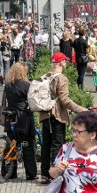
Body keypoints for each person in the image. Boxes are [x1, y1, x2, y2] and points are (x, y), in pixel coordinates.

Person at [39, 53, 87, 184]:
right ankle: (55, 175)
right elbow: (64, 100)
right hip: (57, 115)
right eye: (64, 61)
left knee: (46, 145)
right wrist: (81, 109)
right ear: (60, 62)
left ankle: (44, 174)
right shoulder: (61, 78)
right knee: (57, 145)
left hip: (44, 114)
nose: (66, 63)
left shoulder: (46, 76)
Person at [2, 62, 37, 180]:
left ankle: (9, 172)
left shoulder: (8, 85)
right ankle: (30, 173)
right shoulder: (26, 85)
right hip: (23, 118)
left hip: (9, 116)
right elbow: (32, 101)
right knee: (27, 144)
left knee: (11, 143)